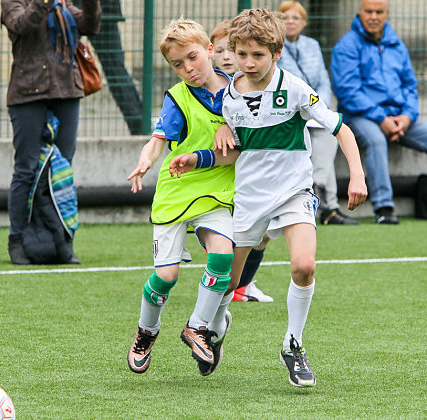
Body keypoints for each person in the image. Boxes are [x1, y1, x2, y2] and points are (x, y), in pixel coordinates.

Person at [170, 8, 367, 387]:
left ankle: (293, 344)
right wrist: (201, 154)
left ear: (275, 54)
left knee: (304, 266)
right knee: (228, 283)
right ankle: (218, 325)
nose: (247, 62)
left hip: (294, 193)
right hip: (249, 201)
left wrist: (356, 175)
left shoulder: (293, 87)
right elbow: (234, 151)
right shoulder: (228, 98)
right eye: (241, 54)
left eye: (257, 55)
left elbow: (341, 129)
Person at [126, 18, 237, 376]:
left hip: (218, 190)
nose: (187, 69)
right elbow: (157, 141)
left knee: (222, 256)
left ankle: (199, 327)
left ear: (209, 50)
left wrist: (227, 123)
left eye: (192, 57)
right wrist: (145, 161)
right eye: (177, 64)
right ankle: (147, 332)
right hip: (177, 191)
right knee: (167, 276)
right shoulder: (177, 97)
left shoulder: (240, 90)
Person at [1, 0, 101, 264]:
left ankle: (63, 241)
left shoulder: (63, 3)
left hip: (67, 91)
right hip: (27, 94)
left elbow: (90, 26)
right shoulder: (13, 2)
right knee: (26, 169)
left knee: (64, 170)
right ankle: (17, 241)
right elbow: (23, 24)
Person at [331, 0, 427, 224]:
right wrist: (381, 118)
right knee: (375, 140)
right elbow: (348, 91)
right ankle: (384, 208)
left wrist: (406, 116)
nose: (373, 16)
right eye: (369, 11)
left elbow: (410, 86)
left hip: (399, 116)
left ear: (387, 14)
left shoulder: (396, 44)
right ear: (360, 13)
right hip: (359, 116)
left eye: (379, 12)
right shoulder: (346, 46)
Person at [278, 1, 359, 226]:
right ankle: (329, 205)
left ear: (304, 23)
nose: (290, 22)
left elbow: (323, 79)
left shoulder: (312, 45)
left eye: (295, 18)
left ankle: (324, 198)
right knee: (319, 148)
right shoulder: (274, 48)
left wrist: (319, 105)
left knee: (329, 138)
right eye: (285, 17)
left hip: (314, 108)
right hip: (291, 111)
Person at [211, 19, 273, 304]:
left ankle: (242, 285)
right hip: (221, 175)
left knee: (262, 234)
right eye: (220, 50)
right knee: (228, 234)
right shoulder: (208, 86)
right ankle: (228, 284)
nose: (226, 57)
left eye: (230, 51)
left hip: (258, 171)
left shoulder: (260, 83)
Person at [90, 0, 143, 135]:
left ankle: (139, 125)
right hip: (102, 10)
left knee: (116, 71)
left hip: (99, 11)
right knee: (116, 70)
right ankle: (139, 125)